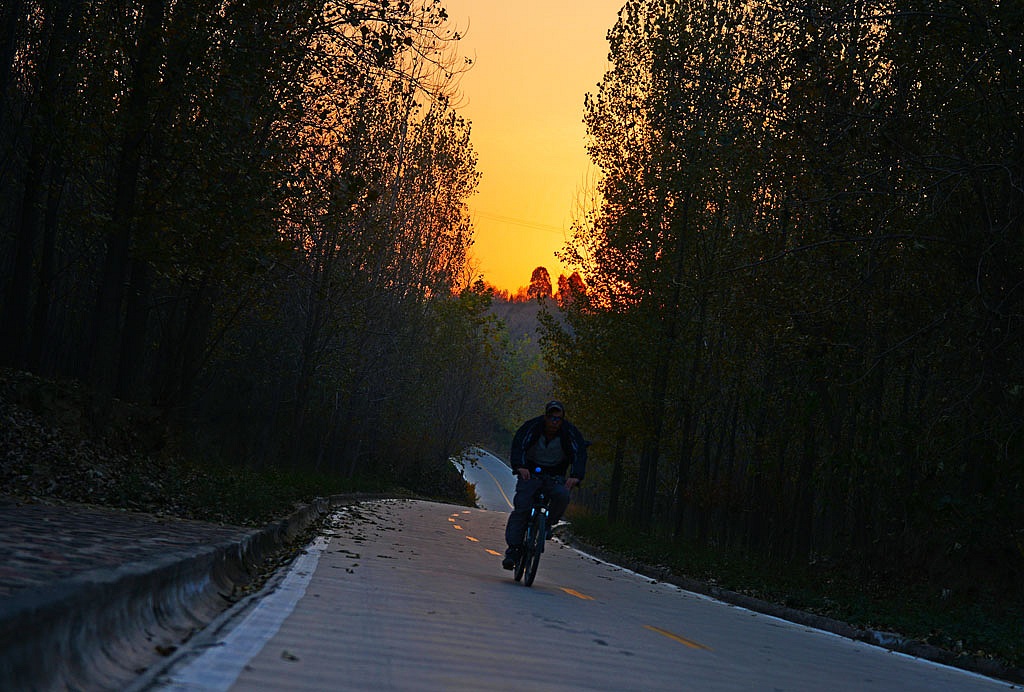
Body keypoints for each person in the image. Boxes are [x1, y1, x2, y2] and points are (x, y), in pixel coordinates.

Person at [502, 400, 587, 570]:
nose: (554, 422)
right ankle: (513, 549)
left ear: (562, 420)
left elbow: (580, 454)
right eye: (551, 418)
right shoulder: (532, 427)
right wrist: (520, 466)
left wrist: (575, 476)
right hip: (531, 473)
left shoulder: (570, 433)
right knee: (522, 507)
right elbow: (519, 445)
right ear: (545, 417)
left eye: (558, 419)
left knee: (562, 495)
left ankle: (547, 523)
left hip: (556, 475)